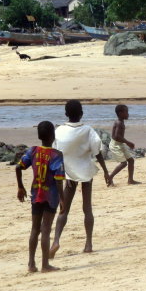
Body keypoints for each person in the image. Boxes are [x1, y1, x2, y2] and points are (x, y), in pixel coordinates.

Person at [50, 100, 110, 257]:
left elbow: (54, 154)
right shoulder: (87, 130)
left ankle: (56, 241)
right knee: (87, 209)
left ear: (65, 114)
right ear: (81, 114)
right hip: (85, 172)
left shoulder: (59, 131)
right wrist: (105, 171)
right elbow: (97, 151)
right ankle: (88, 243)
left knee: (64, 210)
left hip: (68, 174)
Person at [16, 121, 66, 273]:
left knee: (34, 229)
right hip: (50, 196)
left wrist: (20, 186)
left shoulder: (33, 151)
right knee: (46, 230)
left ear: (39, 135)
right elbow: (58, 179)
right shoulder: (56, 155)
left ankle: (31, 264)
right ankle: (45, 265)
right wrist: (63, 199)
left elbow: (18, 167)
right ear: (53, 136)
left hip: (36, 193)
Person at [107, 105, 140, 186]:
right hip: (115, 145)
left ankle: (130, 180)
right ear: (120, 113)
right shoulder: (119, 123)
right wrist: (128, 142)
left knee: (131, 160)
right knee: (124, 163)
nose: (128, 114)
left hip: (120, 144)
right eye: (126, 112)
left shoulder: (121, 122)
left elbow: (118, 137)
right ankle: (110, 177)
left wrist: (125, 142)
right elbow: (116, 136)